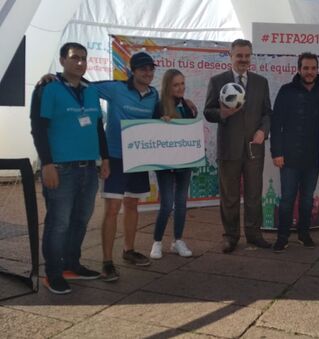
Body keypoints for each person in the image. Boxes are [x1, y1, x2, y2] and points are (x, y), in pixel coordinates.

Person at [30, 42, 110, 294]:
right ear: (63, 60)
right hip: (61, 168)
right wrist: (47, 163)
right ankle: (53, 273)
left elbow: (98, 127)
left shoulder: (91, 90)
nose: (80, 63)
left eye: (84, 59)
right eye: (75, 58)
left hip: (88, 168)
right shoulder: (48, 88)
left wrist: (105, 158)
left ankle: (71, 265)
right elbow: (39, 127)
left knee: (81, 220)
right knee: (59, 222)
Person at [94, 52, 159, 280]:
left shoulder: (154, 94)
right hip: (115, 157)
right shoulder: (115, 88)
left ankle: (128, 250)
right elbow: (84, 85)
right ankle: (107, 261)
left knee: (132, 205)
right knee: (112, 209)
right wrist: (54, 79)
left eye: (151, 69)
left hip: (138, 158)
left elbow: (158, 120)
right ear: (132, 71)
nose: (148, 73)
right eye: (143, 69)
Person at [203, 39, 272, 253]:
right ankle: (230, 236)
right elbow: (208, 111)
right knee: (229, 196)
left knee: (254, 195)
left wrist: (263, 131)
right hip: (229, 149)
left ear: (251, 56)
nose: (243, 60)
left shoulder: (261, 82)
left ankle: (254, 234)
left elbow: (267, 113)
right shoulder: (217, 81)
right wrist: (221, 113)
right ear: (230, 56)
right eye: (239, 55)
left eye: (247, 56)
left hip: (254, 149)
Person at [270, 52, 319, 252]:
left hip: (315, 157)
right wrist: (276, 153)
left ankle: (304, 234)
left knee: (307, 198)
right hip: (289, 157)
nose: (309, 72)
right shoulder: (286, 91)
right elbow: (276, 123)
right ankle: (282, 237)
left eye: (313, 68)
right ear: (299, 69)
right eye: (306, 68)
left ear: (317, 69)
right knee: (286, 199)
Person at [149, 69, 196, 259]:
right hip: (165, 164)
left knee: (181, 203)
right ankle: (157, 242)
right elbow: (152, 132)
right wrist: (161, 123)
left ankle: (177, 240)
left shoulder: (186, 105)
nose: (181, 88)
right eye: (176, 84)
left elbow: (190, 132)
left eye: (183, 83)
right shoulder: (160, 106)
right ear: (168, 86)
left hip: (184, 162)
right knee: (167, 204)